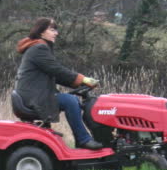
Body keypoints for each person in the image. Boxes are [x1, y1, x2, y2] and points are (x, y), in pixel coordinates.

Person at [14, 17, 103, 149]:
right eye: (52, 29)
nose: (56, 33)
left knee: (72, 100)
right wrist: (82, 79)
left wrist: (80, 83)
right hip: (34, 98)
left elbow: (56, 75)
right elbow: (57, 70)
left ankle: (83, 140)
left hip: (33, 95)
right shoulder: (39, 48)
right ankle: (83, 140)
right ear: (41, 32)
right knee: (70, 101)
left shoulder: (38, 47)